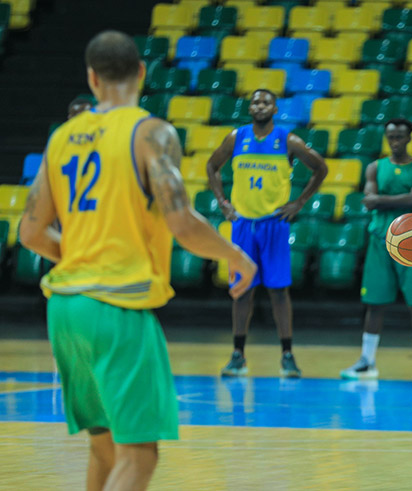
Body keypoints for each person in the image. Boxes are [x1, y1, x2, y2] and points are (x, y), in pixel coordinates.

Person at [19, 30, 256, 490]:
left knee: (106, 448)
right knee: (140, 457)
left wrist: (77, 254)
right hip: (116, 307)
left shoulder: (62, 137)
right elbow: (182, 222)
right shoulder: (151, 132)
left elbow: (29, 230)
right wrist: (236, 256)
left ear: (91, 78)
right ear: (143, 72)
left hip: (64, 309)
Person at [207, 89, 328, 378]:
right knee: (242, 291)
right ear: (250, 108)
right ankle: (238, 355)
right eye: (255, 101)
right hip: (243, 225)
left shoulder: (288, 140)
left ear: (275, 109)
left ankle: (287, 355)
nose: (260, 105)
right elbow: (212, 166)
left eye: (266, 102)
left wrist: (298, 203)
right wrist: (223, 203)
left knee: (278, 292)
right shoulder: (236, 138)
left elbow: (320, 168)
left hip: (274, 224)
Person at [339, 118, 412, 382]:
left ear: (409, 138)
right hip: (380, 240)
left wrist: (380, 200)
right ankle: (367, 361)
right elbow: (368, 203)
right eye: (391, 136)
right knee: (375, 303)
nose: (395, 141)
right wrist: (389, 201)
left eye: (400, 136)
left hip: (411, 242)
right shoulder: (374, 167)